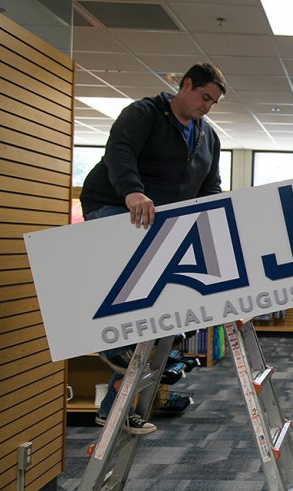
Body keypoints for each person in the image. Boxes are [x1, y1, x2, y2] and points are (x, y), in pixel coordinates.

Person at [80, 62, 227, 433]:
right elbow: (120, 152)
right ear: (186, 84)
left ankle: (116, 407)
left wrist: (214, 215)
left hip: (159, 221)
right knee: (129, 279)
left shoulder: (207, 137)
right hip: (113, 203)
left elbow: (210, 185)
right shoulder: (144, 113)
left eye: (214, 102)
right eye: (204, 97)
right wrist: (132, 191)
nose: (207, 106)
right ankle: (113, 345)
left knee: (162, 313)